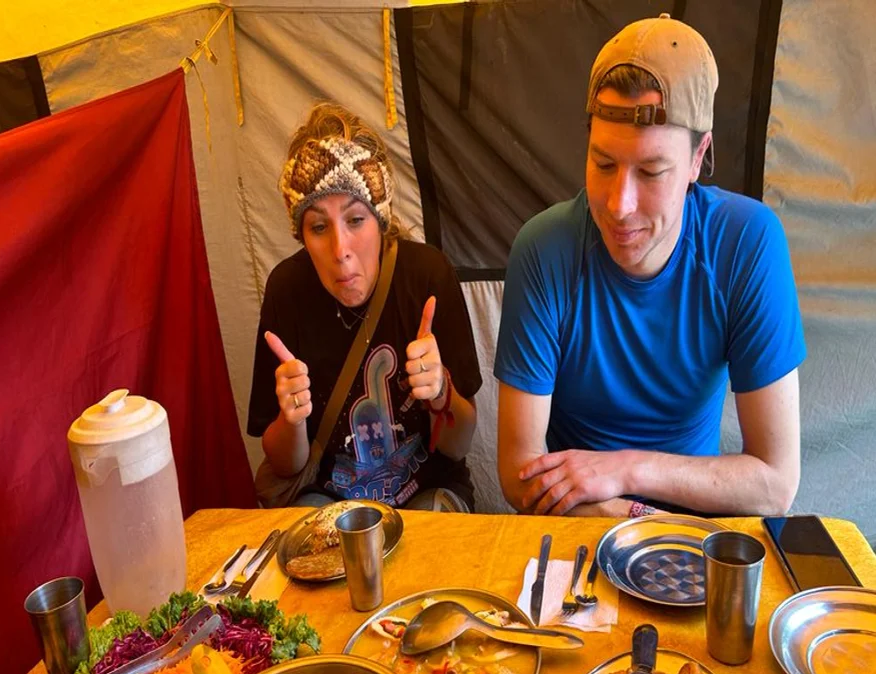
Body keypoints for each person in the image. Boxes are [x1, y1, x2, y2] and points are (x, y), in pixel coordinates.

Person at [494, 14, 805, 518]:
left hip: (696, 527)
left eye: (652, 171)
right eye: (603, 164)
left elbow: (775, 482)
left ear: (698, 157)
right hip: (584, 520)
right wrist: (638, 523)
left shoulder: (748, 243)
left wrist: (625, 470)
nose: (619, 205)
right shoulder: (543, 249)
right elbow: (518, 471)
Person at [247, 103, 482, 511]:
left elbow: (459, 445)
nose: (341, 252)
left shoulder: (427, 275)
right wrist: (291, 419)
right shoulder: (287, 290)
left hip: (427, 493)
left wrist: (441, 392)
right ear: (302, 234)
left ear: (381, 220)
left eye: (355, 220)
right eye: (320, 228)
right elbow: (286, 465)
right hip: (327, 503)